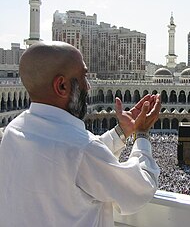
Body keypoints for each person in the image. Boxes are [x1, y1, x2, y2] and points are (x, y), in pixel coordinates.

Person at [0, 41, 161, 227]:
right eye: (84, 77)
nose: (89, 87)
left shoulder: (13, 131)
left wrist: (121, 132)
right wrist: (141, 134)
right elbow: (139, 189)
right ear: (61, 86)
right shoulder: (81, 150)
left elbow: (68, 162)